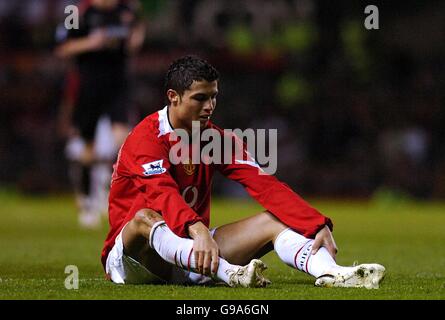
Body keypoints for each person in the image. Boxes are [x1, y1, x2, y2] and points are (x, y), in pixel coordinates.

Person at [101, 55, 386, 288]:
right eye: (200, 98)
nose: (210, 106)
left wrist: (316, 223)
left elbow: (264, 184)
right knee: (144, 218)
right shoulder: (145, 138)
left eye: (213, 97)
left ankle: (334, 274)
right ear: (173, 97)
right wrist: (199, 230)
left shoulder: (216, 140)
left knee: (276, 219)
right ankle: (229, 273)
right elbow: (162, 193)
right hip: (134, 260)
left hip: (193, 252)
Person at [54, 0, 145, 228]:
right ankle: (86, 201)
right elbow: (63, 48)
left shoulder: (127, 9)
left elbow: (138, 28)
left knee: (124, 140)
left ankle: (110, 184)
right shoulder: (75, 11)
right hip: (89, 86)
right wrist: (92, 42)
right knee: (87, 148)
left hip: (118, 85)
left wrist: (134, 40)